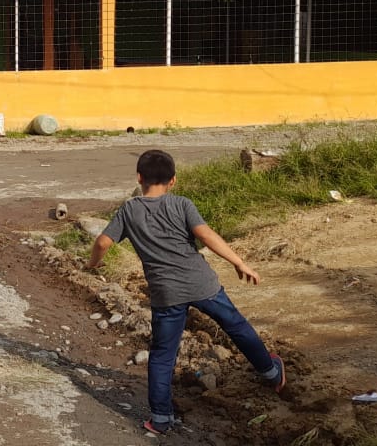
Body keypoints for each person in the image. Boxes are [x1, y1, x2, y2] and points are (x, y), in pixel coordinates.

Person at [87, 149, 285, 435]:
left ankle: (160, 419)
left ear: (139, 178)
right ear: (173, 180)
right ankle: (271, 372)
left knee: (162, 354)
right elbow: (206, 235)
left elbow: (103, 242)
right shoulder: (182, 204)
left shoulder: (129, 210)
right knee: (236, 326)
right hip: (202, 283)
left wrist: (93, 264)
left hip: (166, 293)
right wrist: (239, 262)